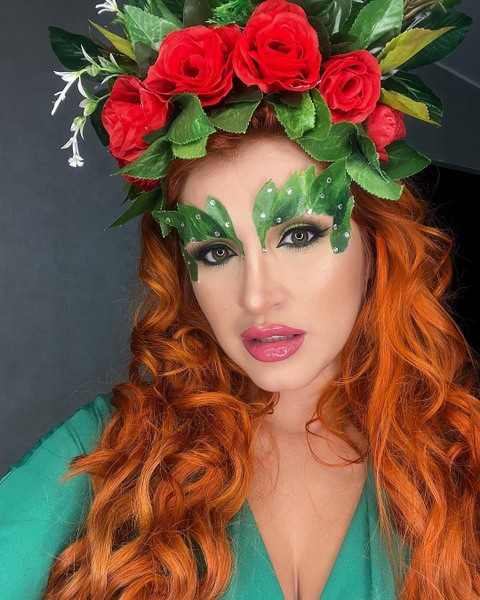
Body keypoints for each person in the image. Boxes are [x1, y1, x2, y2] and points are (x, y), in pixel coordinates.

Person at [1, 0, 479, 599]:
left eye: (299, 235)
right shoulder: (108, 451)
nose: (256, 296)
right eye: (215, 251)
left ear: (375, 242)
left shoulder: (461, 460)